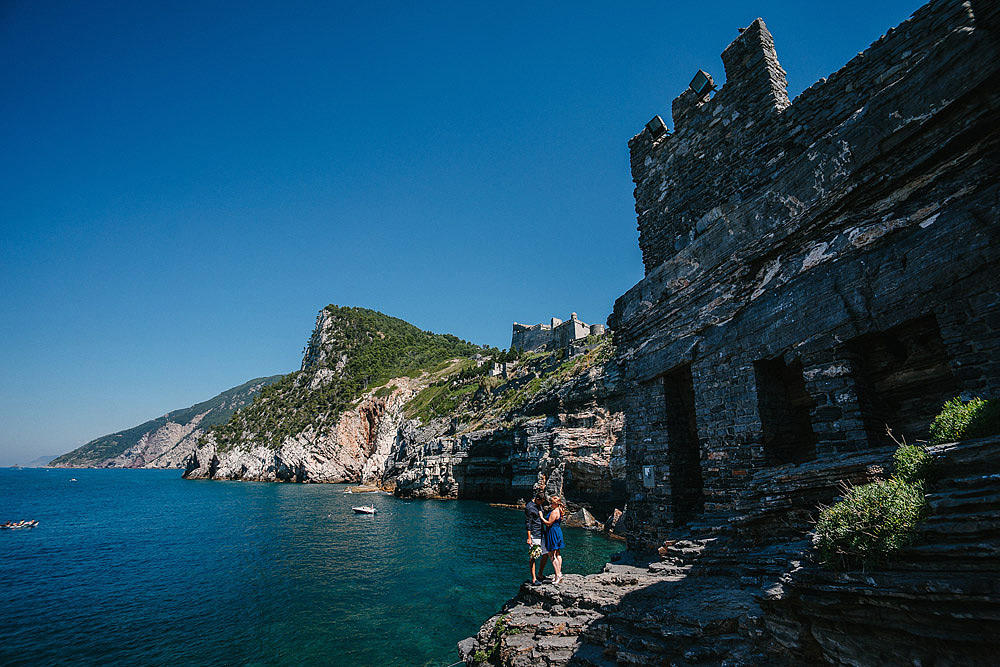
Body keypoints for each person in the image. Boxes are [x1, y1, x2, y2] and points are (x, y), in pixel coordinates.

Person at [524, 486, 550, 584]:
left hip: (541, 532)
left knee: (546, 553)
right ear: (537, 499)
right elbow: (528, 523)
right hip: (534, 534)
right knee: (533, 556)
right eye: (541, 502)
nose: (542, 504)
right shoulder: (529, 507)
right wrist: (529, 537)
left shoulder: (539, 505)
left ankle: (540, 574)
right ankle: (534, 579)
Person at [541, 495, 565, 584]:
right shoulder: (559, 510)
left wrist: (541, 517)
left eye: (551, 503)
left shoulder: (554, 512)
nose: (550, 504)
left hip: (552, 533)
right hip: (558, 532)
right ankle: (559, 574)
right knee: (558, 553)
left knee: (551, 554)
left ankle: (558, 575)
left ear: (555, 504)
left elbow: (548, 523)